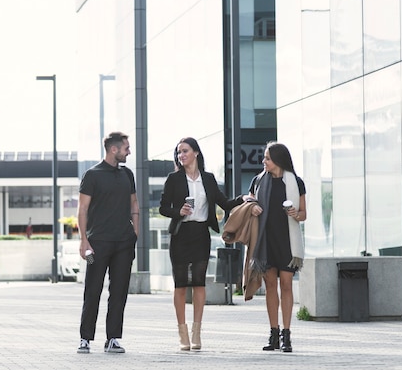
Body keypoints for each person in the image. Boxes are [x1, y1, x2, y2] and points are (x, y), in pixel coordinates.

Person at [159, 137, 244, 351]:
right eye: (179, 152)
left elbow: (225, 203)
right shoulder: (173, 179)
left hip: (200, 235)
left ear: (196, 152)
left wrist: (246, 198)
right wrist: (178, 211)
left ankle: (197, 332)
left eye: (185, 151)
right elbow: (162, 208)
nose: (181, 155)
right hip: (180, 234)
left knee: (199, 283)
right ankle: (182, 334)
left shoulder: (208, 178)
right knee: (180, 285)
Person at [76, 132, 139, 354]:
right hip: (97, 244)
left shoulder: (127, 174)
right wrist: (84, 241)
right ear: (114, 149)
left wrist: (135, 234)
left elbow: (134, 205)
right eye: (126, 148)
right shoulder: (92, 175)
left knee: (119, 291)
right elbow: (82, 210)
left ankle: (113, 338)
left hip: (124, 243)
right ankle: (85, 338)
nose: (129, 151)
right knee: (92, 290)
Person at [248, 142, 306, 353]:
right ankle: (273, 333)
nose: (264, 162)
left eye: (267, 158)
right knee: (270, 285)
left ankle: (287, 335)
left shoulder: (295, 182)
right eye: (264, 158)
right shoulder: (258, 181)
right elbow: (249, 202)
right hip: (266, 241)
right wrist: (252, 205)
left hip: (287, 242)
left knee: (287, 285)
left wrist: (295, 214)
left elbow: (304, 215)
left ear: (279, 160)